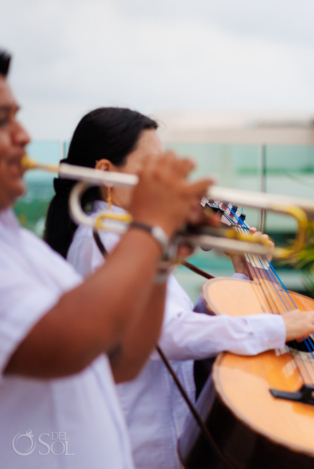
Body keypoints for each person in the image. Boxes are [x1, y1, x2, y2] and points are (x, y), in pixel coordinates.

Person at [43, 106, 314, 469]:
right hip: (137, 440)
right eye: (153, 168)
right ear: (105, 172)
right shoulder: (106, 236)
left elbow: (174, 324)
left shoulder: (119, 235)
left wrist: (241, 269)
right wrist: (277, 327)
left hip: (154, 436)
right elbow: (168, 336)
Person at [0, 49, 212, 468]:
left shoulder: (24, 249)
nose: (24, 135)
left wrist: (162, 262)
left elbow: (121, 359)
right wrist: (151, 230)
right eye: (3, 120)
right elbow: (73, 343)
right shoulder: (100, 234)